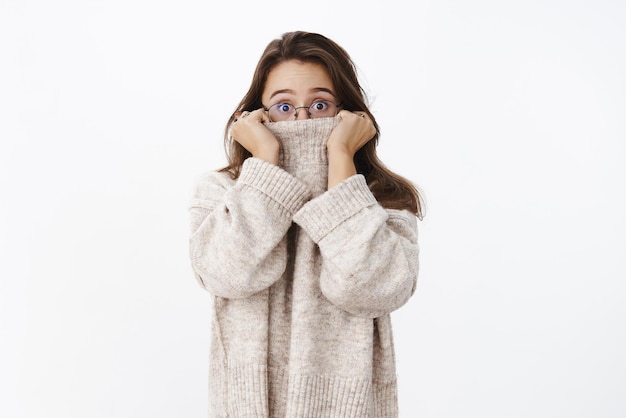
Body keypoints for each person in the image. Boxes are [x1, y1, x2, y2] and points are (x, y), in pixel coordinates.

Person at [188, 30, 424, 418]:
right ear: (255, 117)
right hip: (248, 404)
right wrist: (265, 158)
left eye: (319, 104)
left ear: (349, 114)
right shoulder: (223, 191)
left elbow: (373, 291)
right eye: (283, 106)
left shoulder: (383, 199)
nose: (301, 119)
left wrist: (340, 161)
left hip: (350, 407)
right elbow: (227, 275)